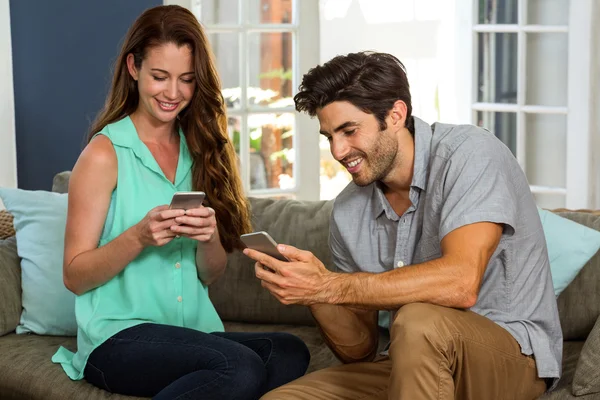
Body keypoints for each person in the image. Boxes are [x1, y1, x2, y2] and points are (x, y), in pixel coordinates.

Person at [243, 52, 562, 399]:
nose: (337, 150)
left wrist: (331, 287)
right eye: (329, 136)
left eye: (349, 131)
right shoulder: (348, 209)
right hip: (410, 362)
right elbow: (359, 351)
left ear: (395, 115)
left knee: (418, 319)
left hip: (511, 360)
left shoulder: (469, 154)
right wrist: (313, 292)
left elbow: (460, 283)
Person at [52, 5, 309, 399]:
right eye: (160, 76)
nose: (173, 93)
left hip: (194, 335)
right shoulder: (105, 154)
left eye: (186, 80)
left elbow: (209, 275)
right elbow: (74, 275)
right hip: (119, 338)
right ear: (133, 68)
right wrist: (137, 237)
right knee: (239, 367)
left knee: (289, 351)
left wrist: (207, 239)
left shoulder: (200, 149)